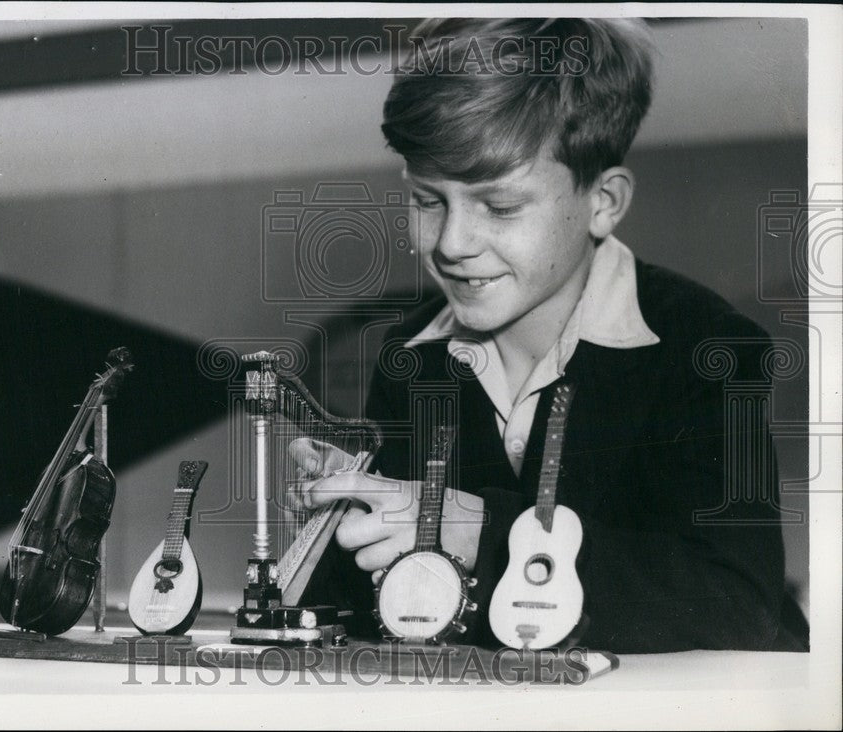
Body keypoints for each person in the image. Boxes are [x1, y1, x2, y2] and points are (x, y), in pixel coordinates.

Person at [290, 17, 807, 653]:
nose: (451, 243)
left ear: (604, 202)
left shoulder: (710, 350)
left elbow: (738, 603)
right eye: (428, 201)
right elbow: (399, 610)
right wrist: (345, 519)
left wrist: (484, 529)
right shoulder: (409, 358)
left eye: (500, 207)